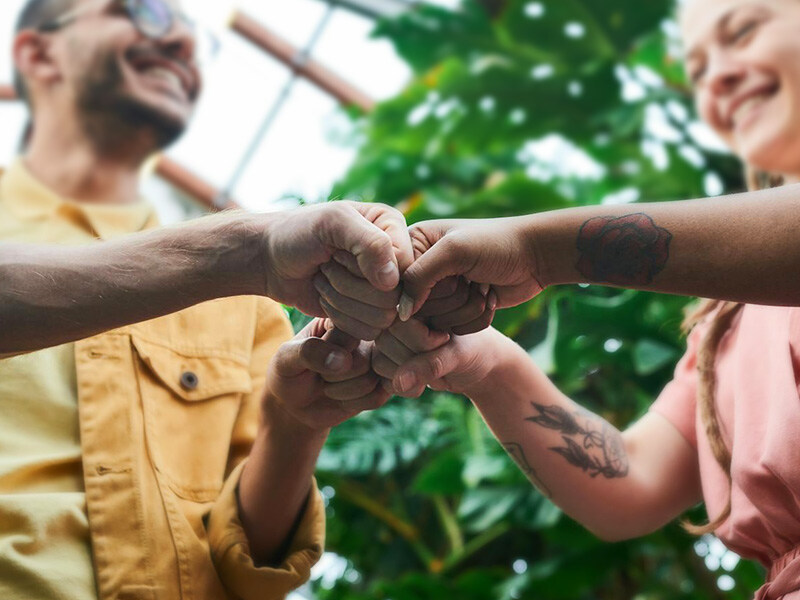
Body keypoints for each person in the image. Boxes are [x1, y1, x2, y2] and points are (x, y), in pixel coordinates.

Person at [0, 0, 487, 599]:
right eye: (145, 13)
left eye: (189, 33)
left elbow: (243, 571)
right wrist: (246, 250)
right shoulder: (243, 270)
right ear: (38, 53)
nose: (180, 41)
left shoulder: (248, 308)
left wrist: (293, 423)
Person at [316, 0, 800, 598]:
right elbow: (632, 485)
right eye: (698, 69)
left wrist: (539, 249)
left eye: (744, 31)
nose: (718, 78)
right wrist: (482, 362)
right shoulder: (726, 321)